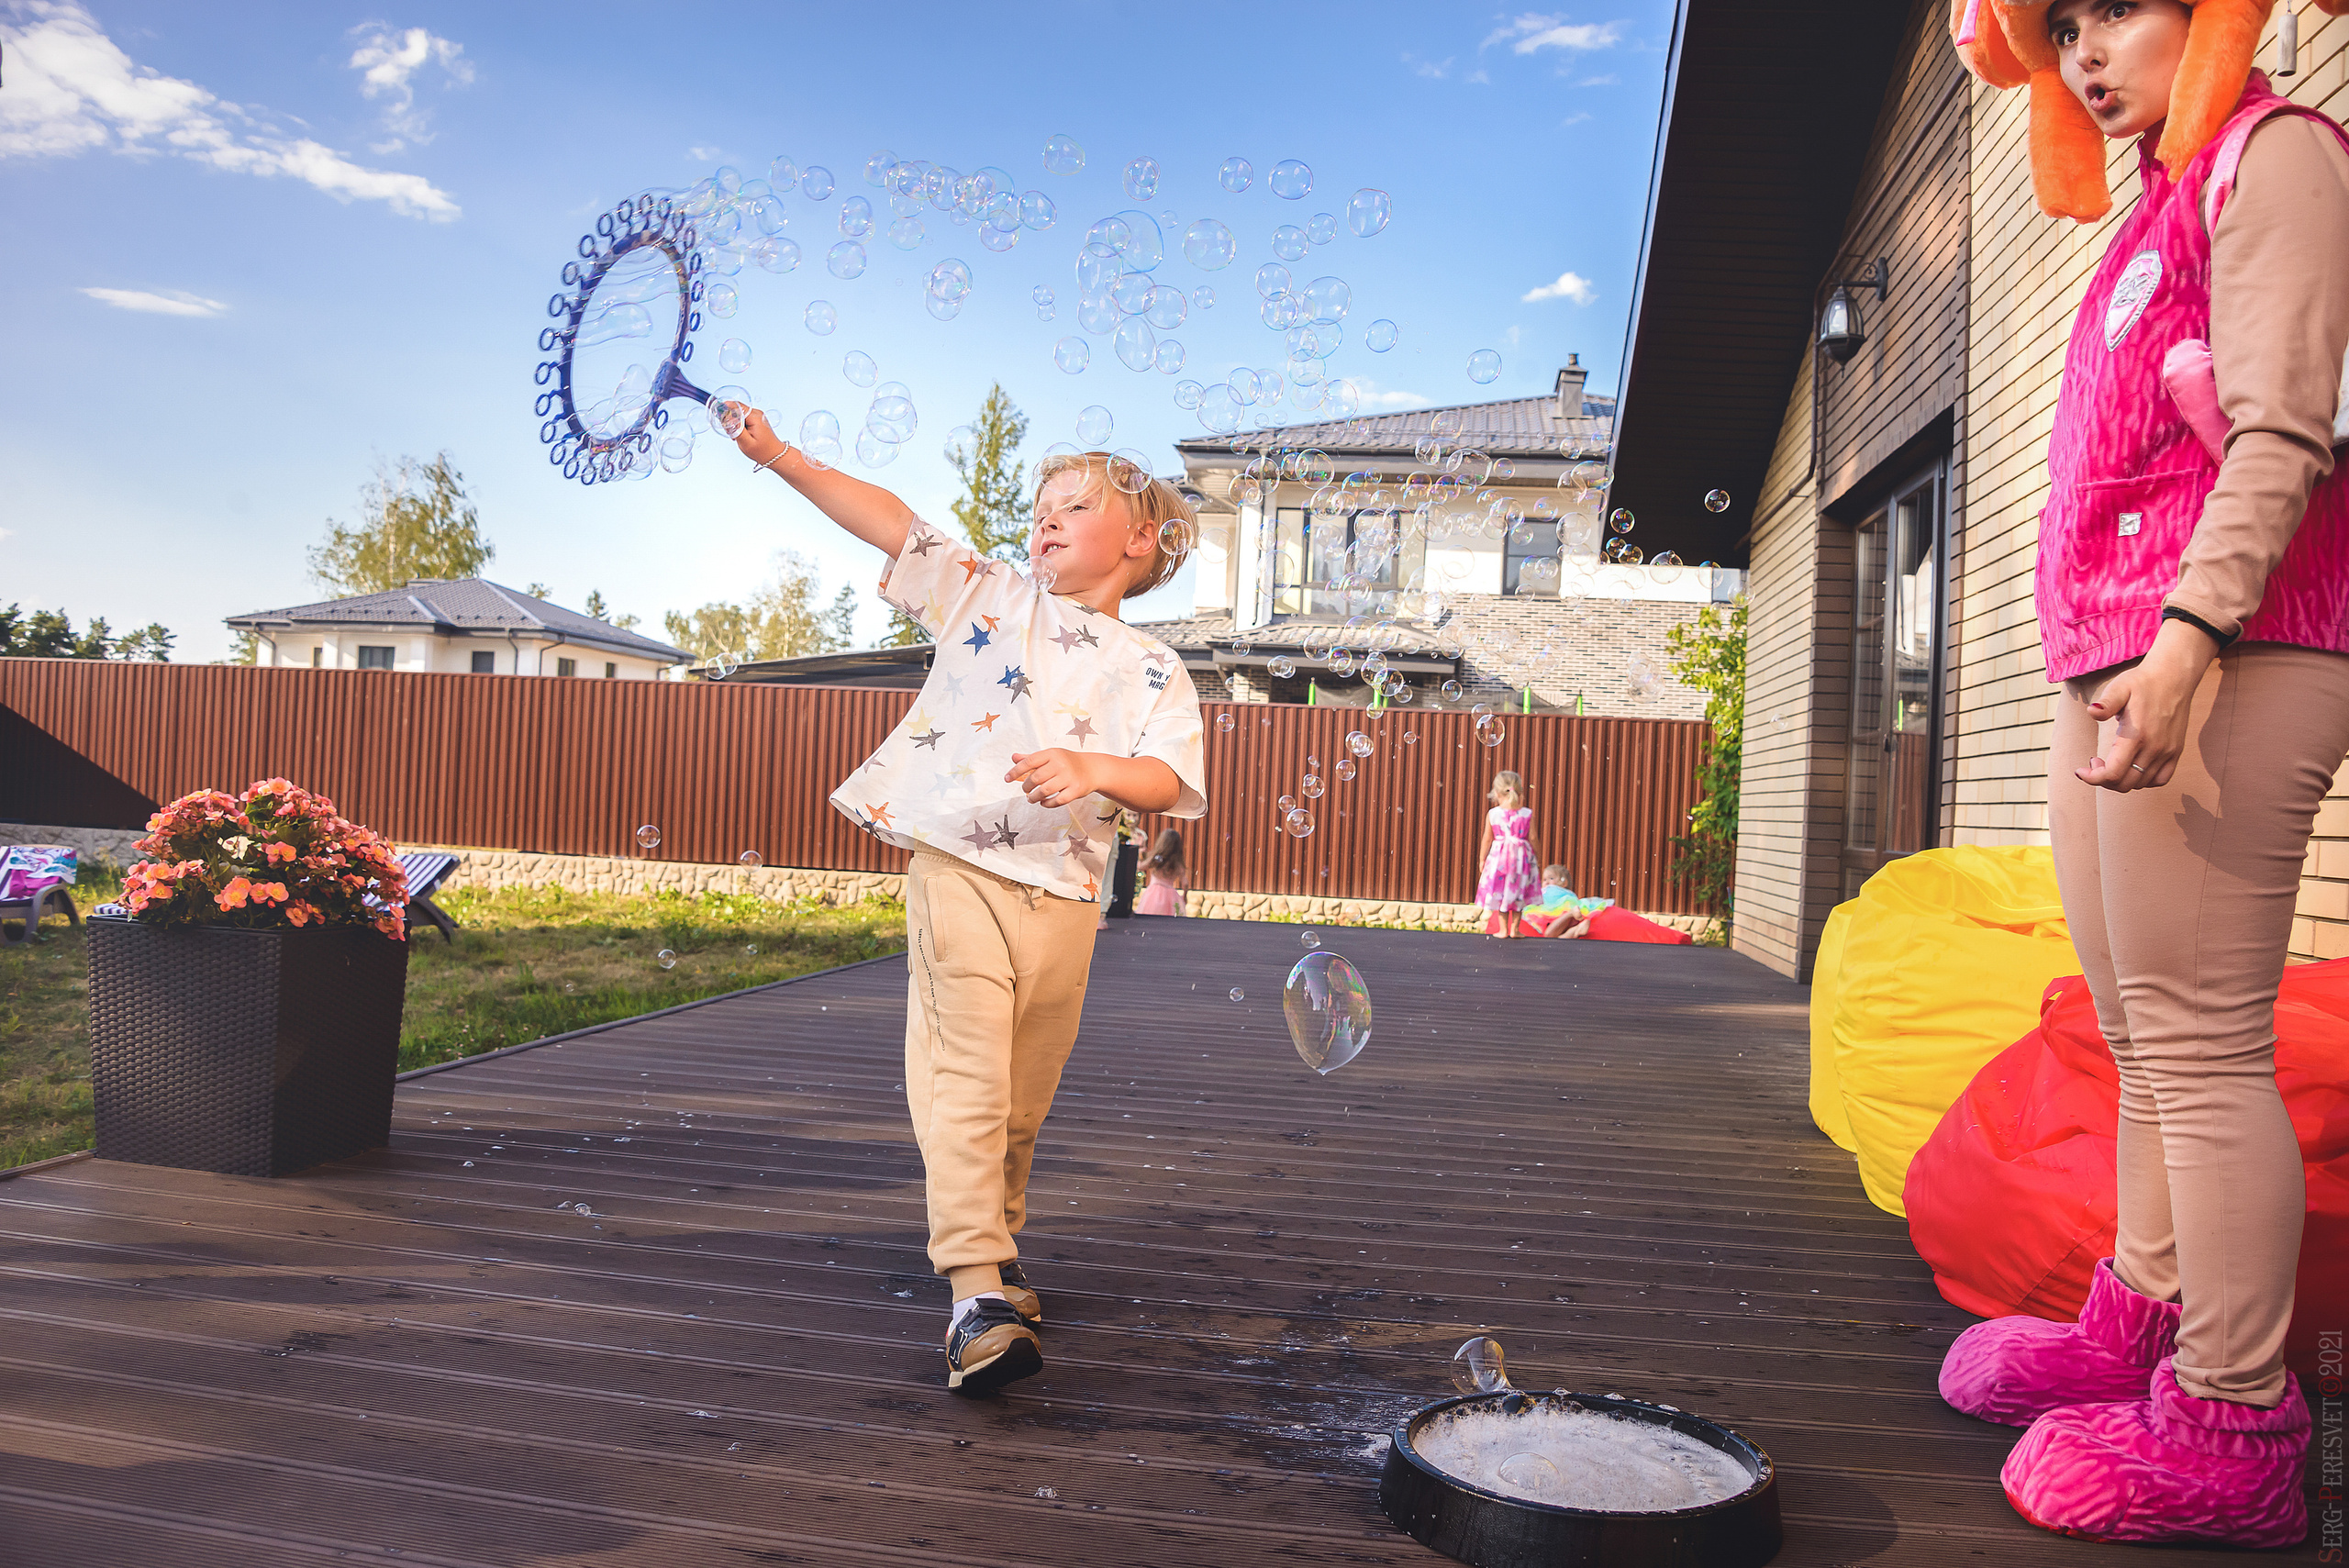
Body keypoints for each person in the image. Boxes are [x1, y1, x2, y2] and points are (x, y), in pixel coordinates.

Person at [1939, 0, 2349, 1546]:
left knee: (2202, 1036)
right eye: (2063, 27)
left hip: (2231, 649)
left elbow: (2285, 427)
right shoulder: (2158, 206)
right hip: (2110, 658)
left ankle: (2237, 1422)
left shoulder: (2284, 156)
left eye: (2120, 8)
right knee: (2136, 1029)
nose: (2087, 52)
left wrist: (2187, 640)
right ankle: (2143, 1328)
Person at [727, 414, 1208, 1396]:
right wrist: (782, 455)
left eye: (1075, 505)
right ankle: (974, 1293)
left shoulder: (1156, 665)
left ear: (1141, 539)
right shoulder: (990, 596)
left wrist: (1090, 766)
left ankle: (1001, 1247)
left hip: (1067, 893)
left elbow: (1164, 780)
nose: (1045, 523)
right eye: (1037, 511)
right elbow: (892, 522)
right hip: (958, 863)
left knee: (1021, 1097)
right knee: (969, 1076)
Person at [1475, 771, 1540, 937]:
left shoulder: (1493, 814)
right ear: (1519, 792)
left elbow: (1487, 839)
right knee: (1518, 892)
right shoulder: (1527, 814)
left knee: (1501, 891)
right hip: (1521, 859)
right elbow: (1532, 838)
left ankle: (1503, 930)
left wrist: (1482, 859)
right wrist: (1537, 857)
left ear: (1496, 793)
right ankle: (1515, 930)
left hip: (1499, 860)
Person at [1134, 828, 1188, 916]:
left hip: (1154, 894)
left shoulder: (1156, 858)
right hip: (1171, 895)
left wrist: (1138, 852)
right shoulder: (1178, 863)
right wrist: (1185, 896)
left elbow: (1140, 867)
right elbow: (1185, 883)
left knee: (1151, 918)